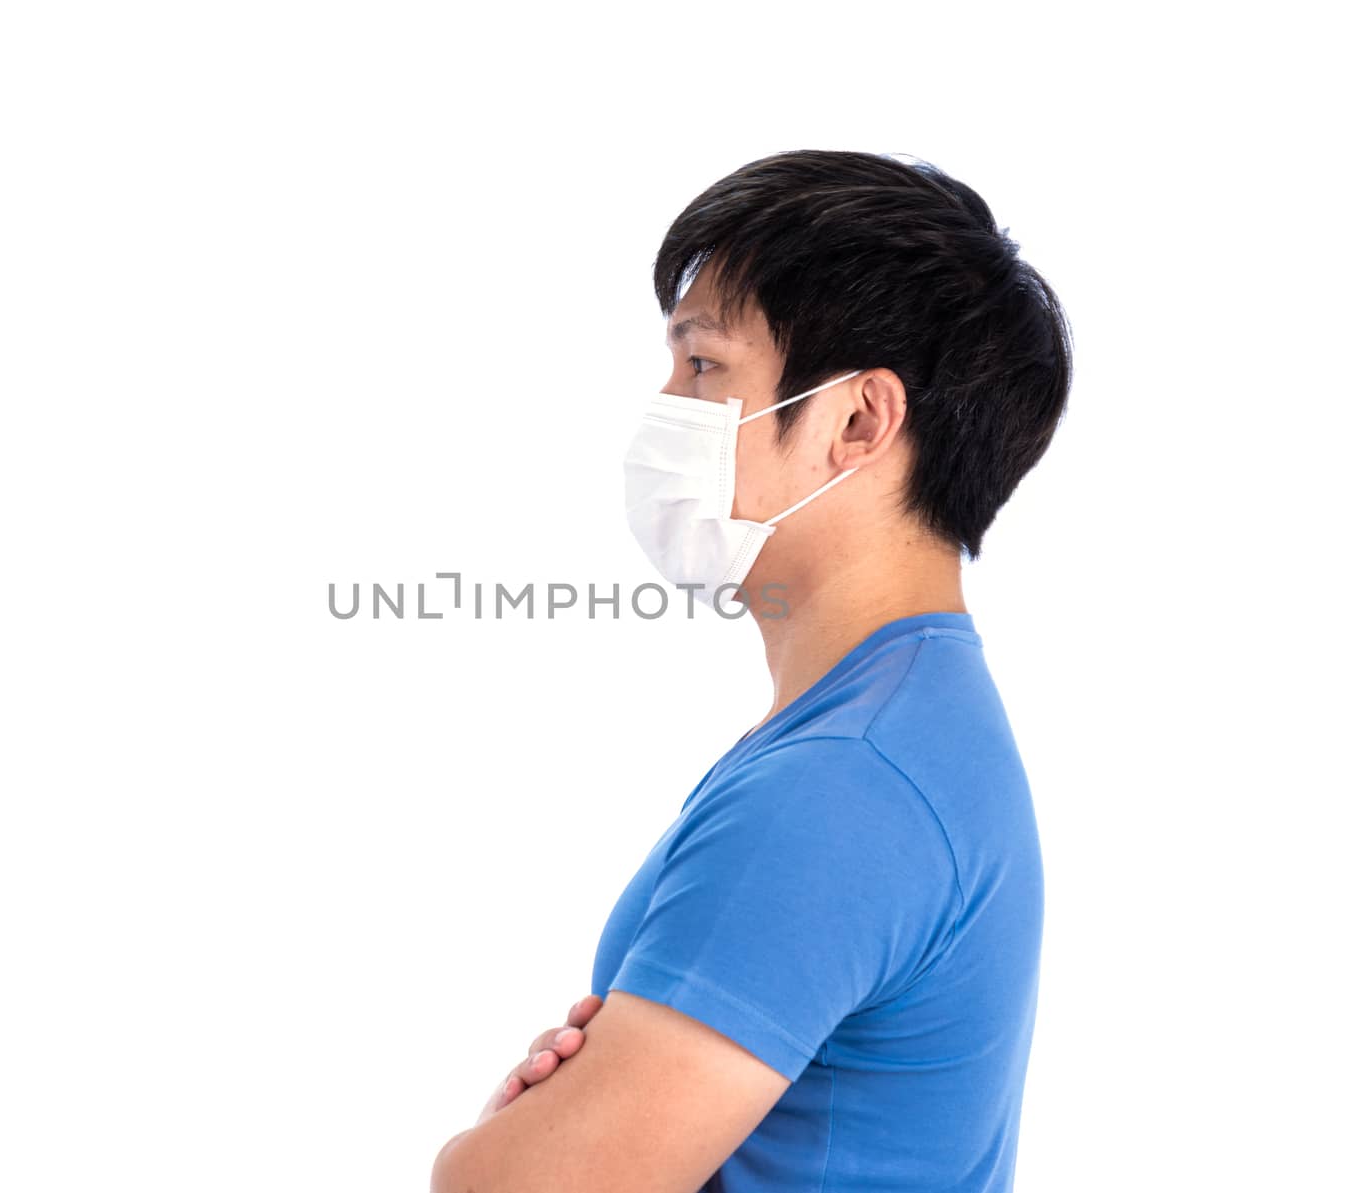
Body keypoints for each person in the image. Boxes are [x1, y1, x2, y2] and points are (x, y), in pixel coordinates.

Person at [431, 149, 1072, 1193]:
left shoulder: (839, 785)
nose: (664, 408)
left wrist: (496, 1139)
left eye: (701, 367)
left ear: (859, 420)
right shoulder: (903, 721)